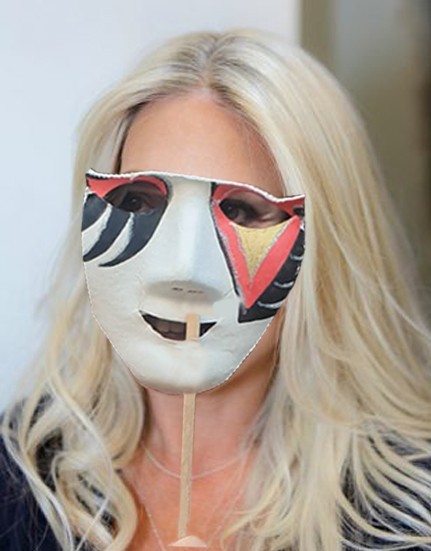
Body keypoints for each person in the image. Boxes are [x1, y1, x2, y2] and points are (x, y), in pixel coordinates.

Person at [1, 28, 431, 551]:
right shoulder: (19, 470)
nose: (182, 269)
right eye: (138, 202)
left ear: (326, 247)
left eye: (242, 211)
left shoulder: (407, 516)